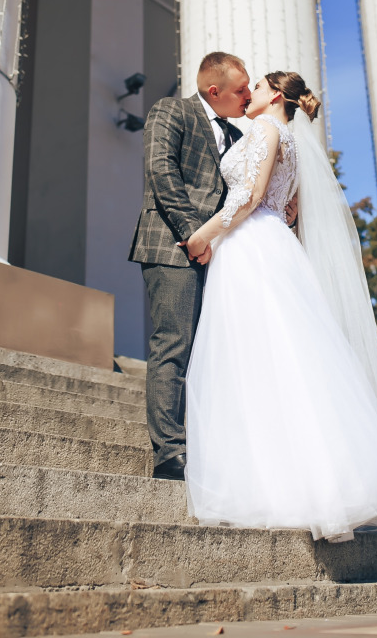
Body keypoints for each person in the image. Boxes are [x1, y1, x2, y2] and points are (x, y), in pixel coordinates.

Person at [183, 71, 377, 544]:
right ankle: (290, 479)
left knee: (260, 357)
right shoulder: (288, 141)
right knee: (279, 357)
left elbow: (249, 198)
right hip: (266, 241)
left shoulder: (269, 131)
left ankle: (284, 486)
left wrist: (203, 235)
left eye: (256, 87)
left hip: (251, 243)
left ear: (276, 96)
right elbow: (288, 210)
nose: (247, 94)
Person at [129, 51, 250, 480]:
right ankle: (169, 453)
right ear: (213, 91)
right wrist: (193, 234)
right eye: (241, 89)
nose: (249, 95)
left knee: (212, 353)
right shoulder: (170, 111)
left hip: (220, 256)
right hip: (171, 246)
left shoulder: (239, 137)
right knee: (173, 346)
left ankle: (210, 444)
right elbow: (162, 173)